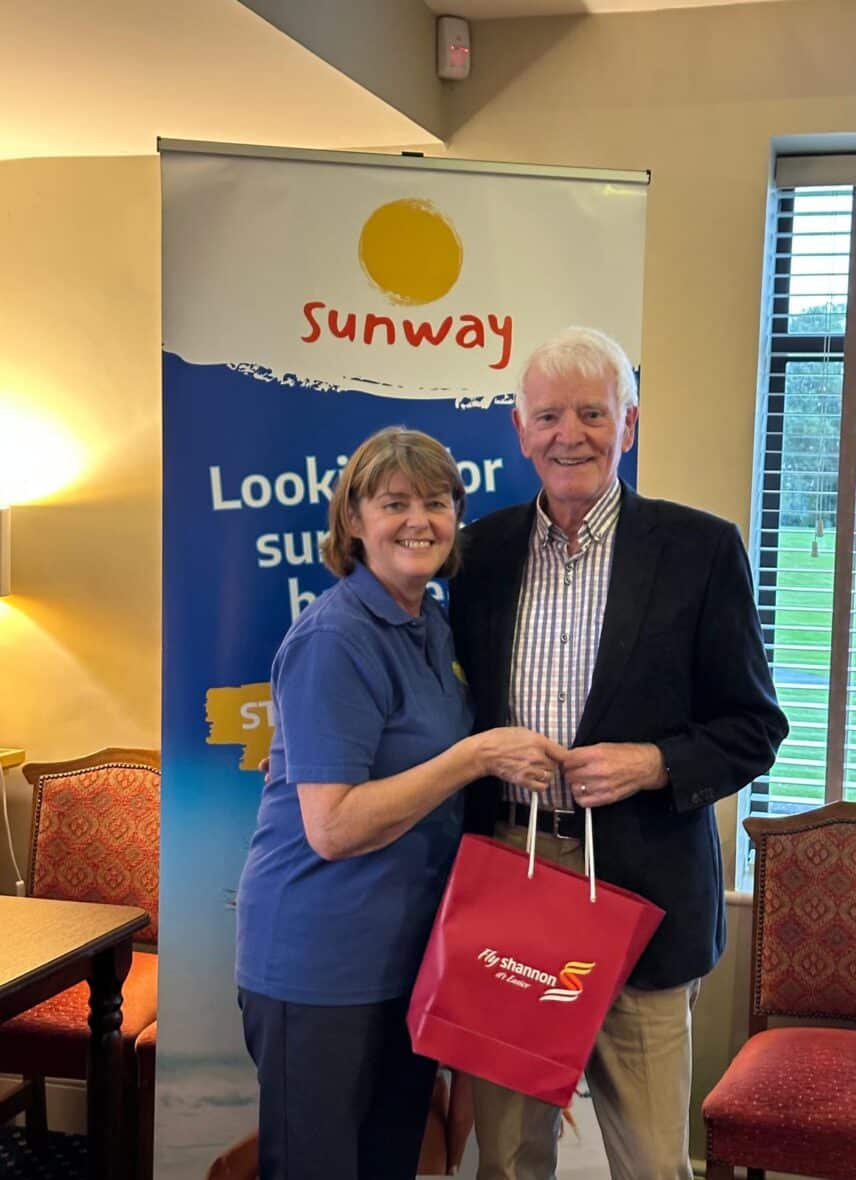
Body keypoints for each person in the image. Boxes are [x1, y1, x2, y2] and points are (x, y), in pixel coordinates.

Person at [447, 327, 788, 1180]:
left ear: (628, 424)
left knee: (651, 1164)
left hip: (643, 891)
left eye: (592, 414)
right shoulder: (478, 554)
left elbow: (754, 726)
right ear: (520, 430)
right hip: (511, 876)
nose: (570, 435)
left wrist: (653, 763)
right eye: (548, 416)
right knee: (507, 1157)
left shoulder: (699, 550)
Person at [235, 426, 566, 1180]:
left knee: (392, 1162)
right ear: (353, 520)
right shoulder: (334, 638)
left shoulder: (431, 623)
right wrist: (475, 756)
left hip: (408, 958)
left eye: (437, 503)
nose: (419, 521)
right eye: (394, 504)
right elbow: (332, 827)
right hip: (321, 963)